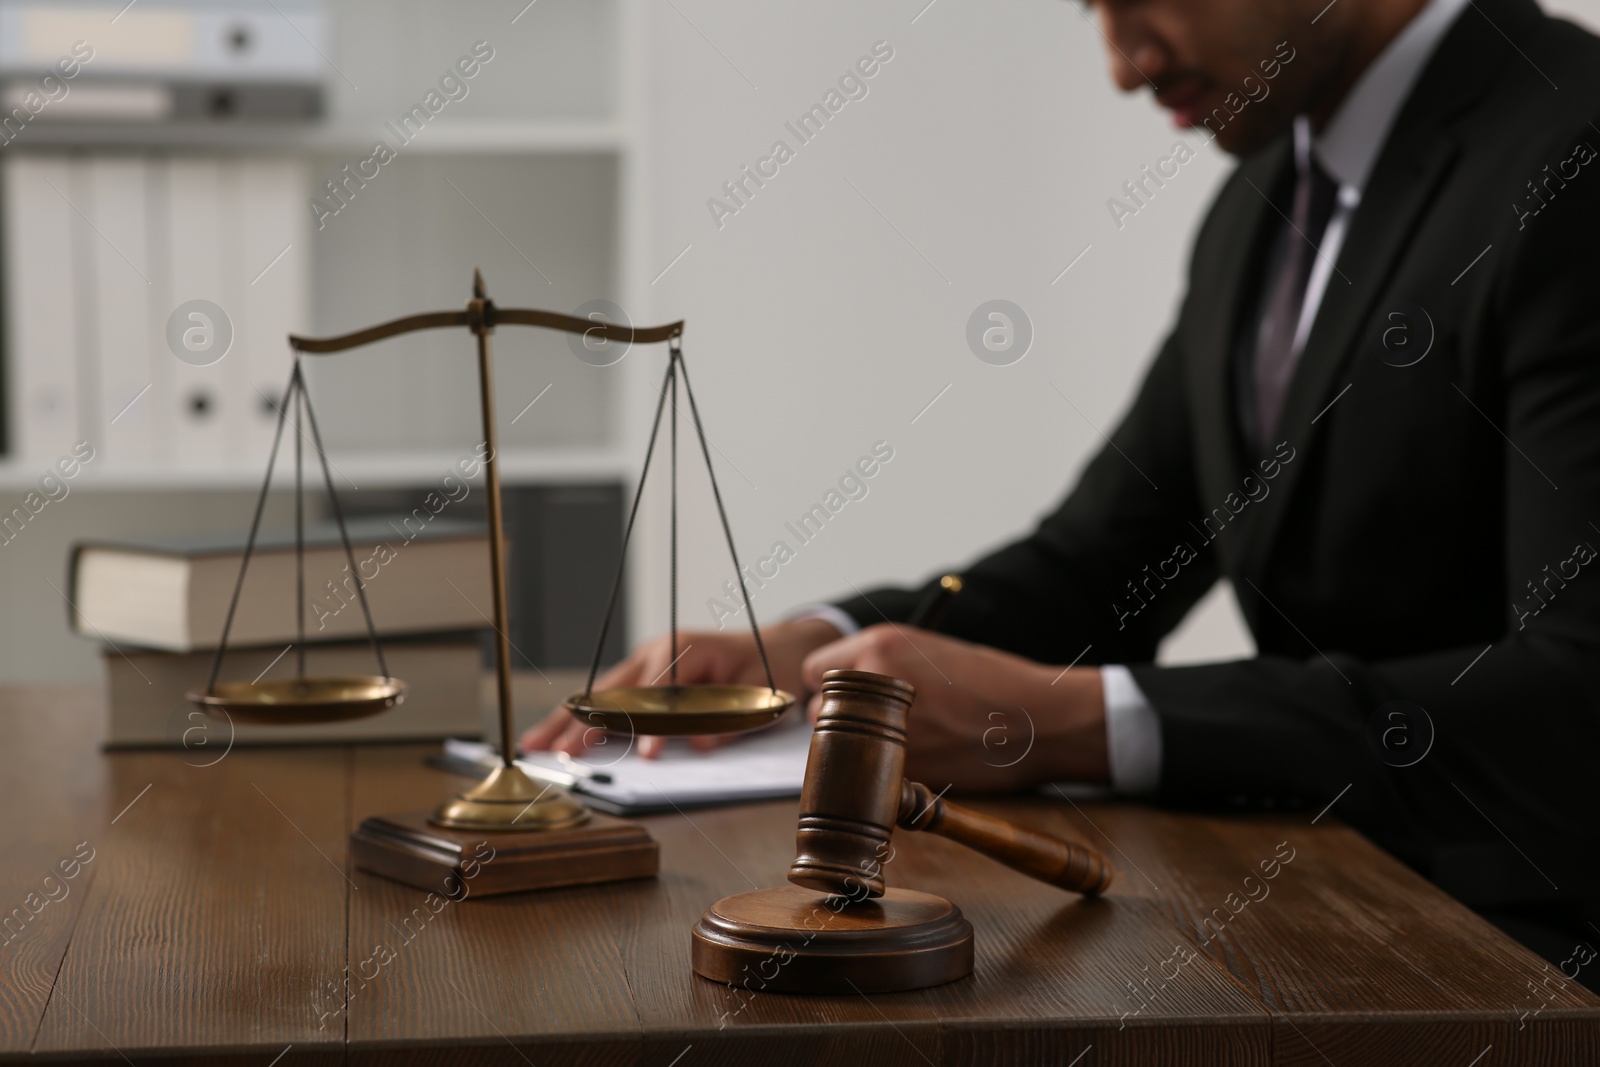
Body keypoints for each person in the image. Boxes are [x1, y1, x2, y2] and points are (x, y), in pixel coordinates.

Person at [527, 0, 1600, 981]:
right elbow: (1100, 560)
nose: (1124, 63)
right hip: (1342, 915)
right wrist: (814, 646)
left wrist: (1076, 722)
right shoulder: (1261, 203)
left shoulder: (1573, 150)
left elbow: (1576, 694)